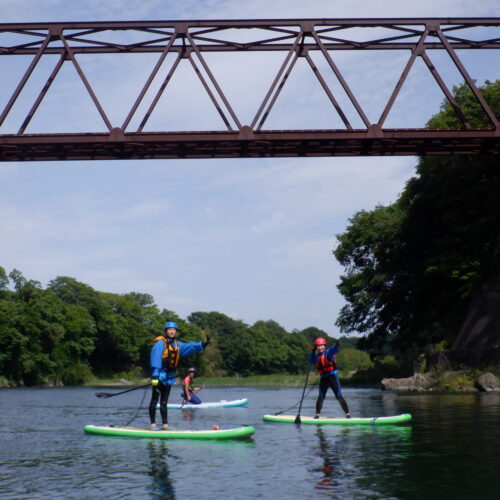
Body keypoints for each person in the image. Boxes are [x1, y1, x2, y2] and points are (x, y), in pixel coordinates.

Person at [149, 321, 211, 429]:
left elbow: (189, 347)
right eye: (169, 329)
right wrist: (155, 375)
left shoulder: (177, 345)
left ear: (175, 331)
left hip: (169, 377)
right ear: (166, 331)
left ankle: (165, 424)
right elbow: (155, 358)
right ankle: (153, 424)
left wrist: (203, 344)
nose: (172, 331)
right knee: (154, 400)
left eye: (174, 329)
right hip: (159, 375)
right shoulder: (160, 343)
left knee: (164, 401)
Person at [309, 337, 351, 419]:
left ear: (324, 346)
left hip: (332, 377)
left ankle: (347, 413)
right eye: (318, 346)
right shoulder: (317, 356)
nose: (320, 347)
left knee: (338, 395)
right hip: (324, 378)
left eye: (321, 346)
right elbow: (311, 360)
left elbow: (334, 349)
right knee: (321, 396)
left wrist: (337, 345)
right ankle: (317, 414)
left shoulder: (328, 353)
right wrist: (313, 351)